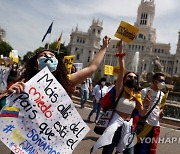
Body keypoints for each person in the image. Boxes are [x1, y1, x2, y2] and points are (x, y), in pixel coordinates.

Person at [0, 36, 110, 154]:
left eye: (52, 56)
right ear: (36, 64)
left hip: (48, 143)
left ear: (57, 62)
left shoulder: (65, 81)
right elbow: (6, 107)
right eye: (43, 55)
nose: (48, 57)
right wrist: (7, 93)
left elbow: (91, 68)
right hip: (25, 141)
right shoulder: (25, 82)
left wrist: (103, 48)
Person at [91, 40, 151, 154]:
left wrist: (147, 104)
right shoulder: (120, 90)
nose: (132, 79)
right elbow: (122, 70)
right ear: (124, 79)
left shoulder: (137, 96)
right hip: (114, 124)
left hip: (128, 126)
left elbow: (142, 113)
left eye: (134, 77)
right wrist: (120, 53)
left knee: (129, 152)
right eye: (129, 77)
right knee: (107, 151)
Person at [134, 72, 165, 154]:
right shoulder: (145, 91)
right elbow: (138, 107)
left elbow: (160, 108)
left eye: (164, 81)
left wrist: (161, 113)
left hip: (156, 125)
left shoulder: (162, 94)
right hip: (145, 123)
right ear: (154, 81)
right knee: (139, 146)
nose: (163, 83)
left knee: (152, 148)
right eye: (161, 80)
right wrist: (145, 102)